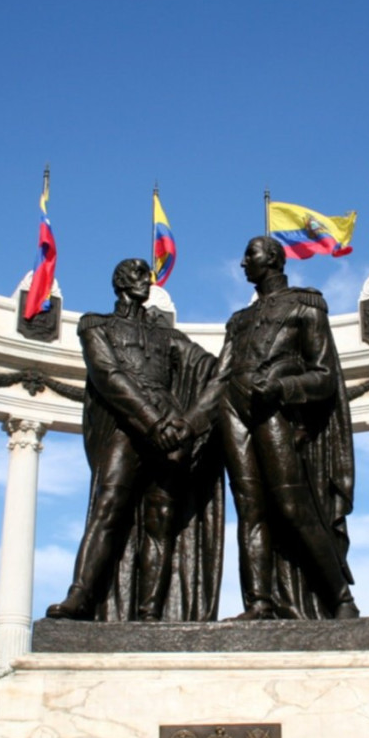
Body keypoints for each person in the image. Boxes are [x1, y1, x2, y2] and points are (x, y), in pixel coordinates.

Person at [185, 236, 359, 620]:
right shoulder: (239, 320)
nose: (243, 261)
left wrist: (282, 388)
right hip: (234, 408)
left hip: (275, 409)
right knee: (249, 509)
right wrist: (188, 425)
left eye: (250, 253)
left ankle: (340, 598)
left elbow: (325, 376)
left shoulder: (306, 305)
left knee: (291, 506)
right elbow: (219, 378)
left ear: (274, 258)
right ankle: (259, 603)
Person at [46, 258, 223, 622]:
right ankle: (80, 595)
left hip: (169, 430)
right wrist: (152, 421)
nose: (147, 281)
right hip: (129, 427)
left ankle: (150, 612)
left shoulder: (168, 335)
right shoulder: (96, 325)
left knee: (163, 517)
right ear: (120, 281)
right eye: (139, 274)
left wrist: (242, 354)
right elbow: (108, 375)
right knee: (107, 506)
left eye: (148, 275)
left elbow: (209, 369)